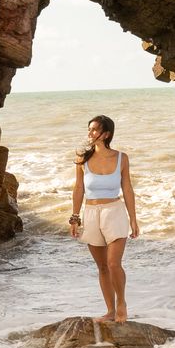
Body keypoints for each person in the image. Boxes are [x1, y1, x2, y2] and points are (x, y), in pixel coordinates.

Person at [69, 115, 139, 323]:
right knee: (101, 266)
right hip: (90, 214)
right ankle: (109, 310)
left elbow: (127, 188)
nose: (89, 133)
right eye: (89, 129)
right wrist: (74, 218)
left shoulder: (121, 158)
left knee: (113, 263)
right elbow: (78, 188)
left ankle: (122, 304)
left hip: (114, 212)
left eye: (94, 130)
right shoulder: (82, 158)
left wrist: (133, 219)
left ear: (106, 134)